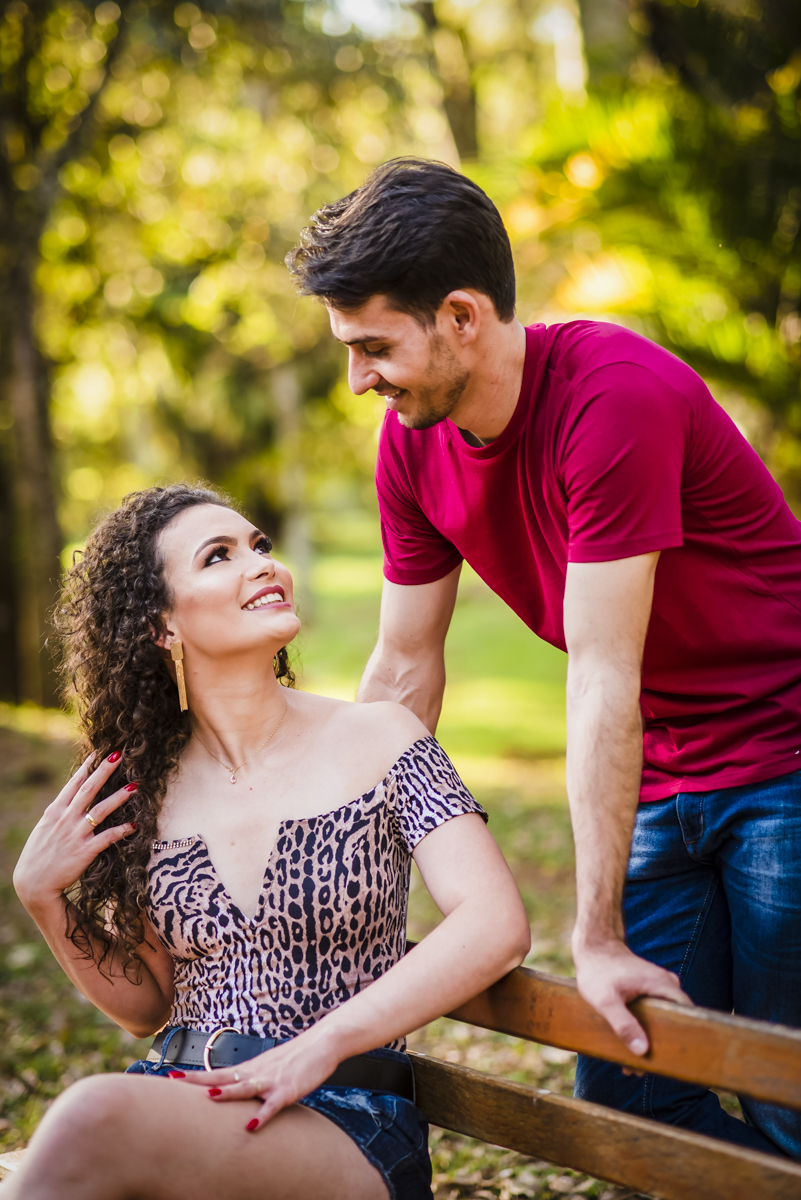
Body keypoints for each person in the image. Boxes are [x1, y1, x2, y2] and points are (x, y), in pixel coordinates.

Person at [287, 157, 801, 1158]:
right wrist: (331, 865)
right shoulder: (413, 443)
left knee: (782, 1086)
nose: (358, 381)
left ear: (464, 318)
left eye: (374, 347)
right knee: (631, 1094)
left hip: (784, 750)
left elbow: (606, 674)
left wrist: (596, 936)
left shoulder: (615, 397)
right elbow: (401, 670)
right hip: (667, 775)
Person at [8, 483, 530, 1200]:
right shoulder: (142, 788)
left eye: (260, 546)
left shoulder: (380, 737)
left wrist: (323, 1043)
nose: (261, 564)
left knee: (92, 1115)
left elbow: (494, 923)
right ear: (162, 625)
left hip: (345, 1114)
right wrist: (41, 898)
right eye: (218, 556)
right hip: (184, 1096)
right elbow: (146, 1009)